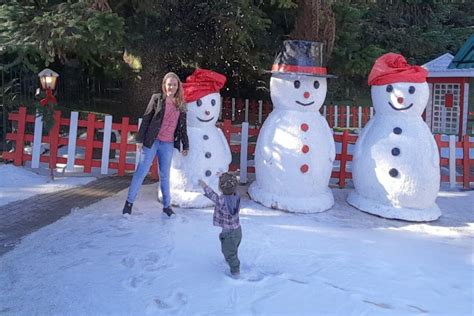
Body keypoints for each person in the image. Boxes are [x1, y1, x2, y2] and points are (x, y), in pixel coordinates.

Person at [123, 72, 189, 216]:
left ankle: (167, 207)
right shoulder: (157, 99)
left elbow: (183, 127)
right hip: (152, 141)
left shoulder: (181, 105)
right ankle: (129, 203)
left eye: (174, 84)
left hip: (168, 144)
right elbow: (146, 119)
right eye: (169, 84)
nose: (171, 87)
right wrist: (140, 139)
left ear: (178, 86)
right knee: (141, 171)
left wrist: (186, 145)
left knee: (165, 175)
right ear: (164, 85)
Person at [199, 173, 242, 277]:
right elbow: (231, 185)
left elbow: (212, 195)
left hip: (228, 234)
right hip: (238, 230)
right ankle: (230, 259)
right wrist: (223, 176)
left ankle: (235, 272)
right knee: (233, 249)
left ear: (220, 188)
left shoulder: (221, 200)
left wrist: (204, 185)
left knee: (229, 252)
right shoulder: (236, 196)